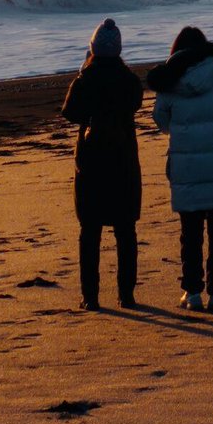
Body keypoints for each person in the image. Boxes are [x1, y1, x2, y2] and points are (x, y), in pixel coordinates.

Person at [149, 26, 213, 312]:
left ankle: (192, 292)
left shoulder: (171, 79)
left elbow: (160, 117)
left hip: (186, 164)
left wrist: (178, 134)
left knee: (190, 231)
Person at [60, 18, 144, 311]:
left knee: (90, 232)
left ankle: (90, 296)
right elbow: (135, 103)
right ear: (119, 50)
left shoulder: (86, 79)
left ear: (93, 47)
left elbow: (69, 112)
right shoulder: (129, 80)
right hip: (123, 162)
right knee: (125, 231)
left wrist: (83, 71)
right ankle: (126, 295)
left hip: (91, 164)